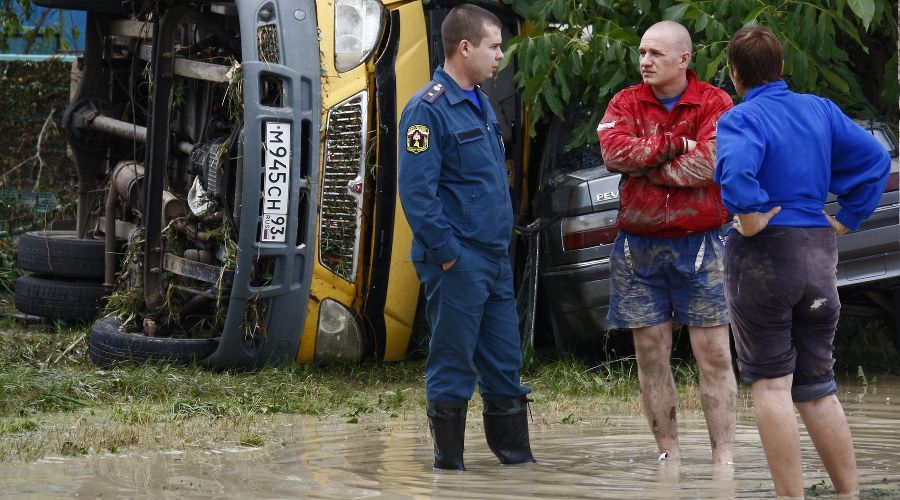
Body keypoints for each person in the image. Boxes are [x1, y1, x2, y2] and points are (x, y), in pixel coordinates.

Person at [715, 26, 890, 496]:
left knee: (772, 386)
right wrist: (847, 218)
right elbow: (876, 158)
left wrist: (749, 217)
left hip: (766, 257)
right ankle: (849, 493)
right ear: (781, 67)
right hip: (818, 253)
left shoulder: (741, 119)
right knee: (818, 383)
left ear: (735, 74)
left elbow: (735, 173)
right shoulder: (820, 109)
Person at [397, 4, 534, 471]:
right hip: (458, 260)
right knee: (453, 365)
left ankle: (518, 466)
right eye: (494, 46)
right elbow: (417, 193)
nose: (500, 56)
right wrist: (448, 253)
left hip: (494, 259)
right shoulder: (427, 109)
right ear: (465, 47)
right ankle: (450, 470)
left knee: (505, 366)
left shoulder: (481, 100)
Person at [596, 20, 737, 464]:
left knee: (713, 353)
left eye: (656, 53)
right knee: (650, 353)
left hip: (704, 243)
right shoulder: (624, 101)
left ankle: (724, 461)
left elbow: (709, 166)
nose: (645, 61)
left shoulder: (716, 102)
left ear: (684, 59)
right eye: (641, 52)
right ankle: (669, 458)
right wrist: (676, 143)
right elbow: (613, 153)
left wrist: (649, 164)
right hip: (638, 247)